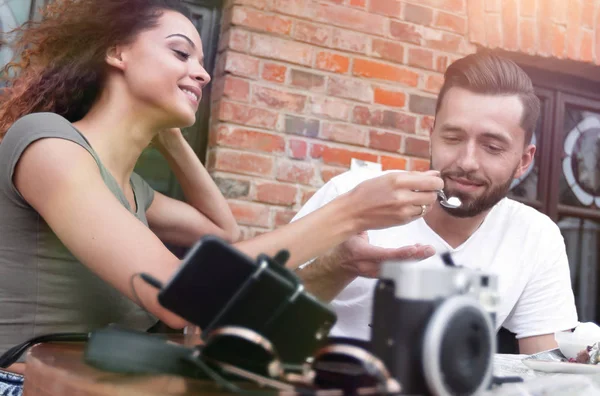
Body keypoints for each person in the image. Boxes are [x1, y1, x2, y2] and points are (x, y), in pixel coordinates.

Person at [0, 0, 443, 392]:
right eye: (180, 53)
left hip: (98, 377)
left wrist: (171, 136)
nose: (203, 72)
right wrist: (348, 212)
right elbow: (177, 294)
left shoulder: (136, 193)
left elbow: (223, 235)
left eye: (201, 59)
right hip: (23, 382)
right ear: (117, 52)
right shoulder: (45, 144)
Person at [292, 52, 579, 355]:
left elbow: (546, 371)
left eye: (492, 147)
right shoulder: (353, 195)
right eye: (453, 138)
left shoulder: (534, 236)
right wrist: (337, 267)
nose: (467, 162)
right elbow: (255, 315)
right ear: (432, 136)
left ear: (523, 161)